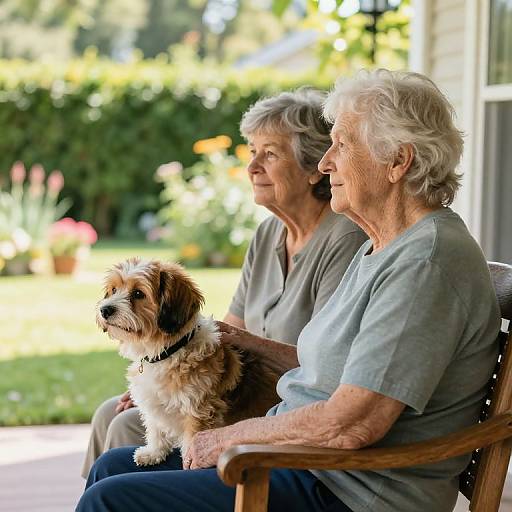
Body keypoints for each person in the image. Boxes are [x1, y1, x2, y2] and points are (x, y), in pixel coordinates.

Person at [77, 70, 500, 512]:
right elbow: (329, 378)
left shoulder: (425, 263)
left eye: (343, 144)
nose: (325, 163)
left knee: (113, 499)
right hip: (305, 464)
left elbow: (354, 424)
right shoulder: (386, 246)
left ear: (397, 161)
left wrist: (227, 438)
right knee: (113, 468)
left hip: (350, 491)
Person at [81, 87, 367, 478]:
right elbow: (224, 331)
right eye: (252, 152)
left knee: (123, 427)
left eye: (269, 153)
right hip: (223, 393)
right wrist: (156, 377)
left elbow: (326, 366)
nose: (252, 167)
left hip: (277, 409)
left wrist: (243, 343)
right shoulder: (269, 234)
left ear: (314, 166)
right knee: (109, 413)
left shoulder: (345, 240)